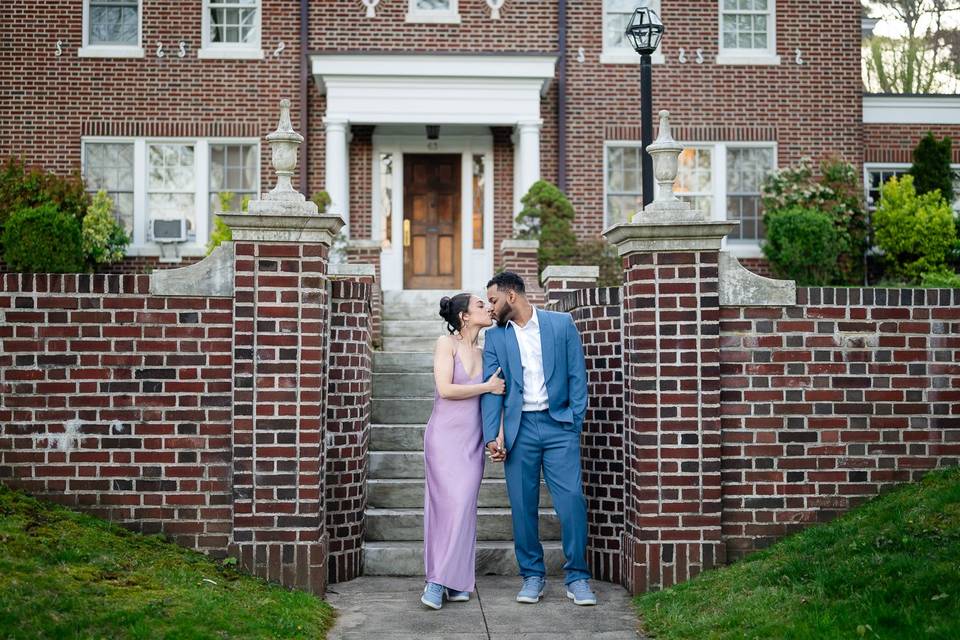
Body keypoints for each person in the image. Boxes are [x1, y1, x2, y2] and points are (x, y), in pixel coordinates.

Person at [480, 271, 596, 606]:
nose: (490, 308)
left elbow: (578, 376)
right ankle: (533, 575)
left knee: (571, 500)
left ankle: (578, 577)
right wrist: (493, 436)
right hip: (520, 431)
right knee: (522, 506)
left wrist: (574, 422)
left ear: (511, 296)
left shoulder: (561, 325)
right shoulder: (495, 338)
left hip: (559, 426)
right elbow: (492, 390)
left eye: (493, 300)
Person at [420, 293, 505, 610]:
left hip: (472, 441)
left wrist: (498, 437)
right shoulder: (447, 344)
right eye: (481, 305)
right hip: (443, 439)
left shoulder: (486, 352)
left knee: (464, 507)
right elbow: (446, 389)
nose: (488, 308)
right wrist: (486, 386)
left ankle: (457, 580)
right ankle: (436, 581)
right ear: (465, 316)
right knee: (447, 508)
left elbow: (495, 401)